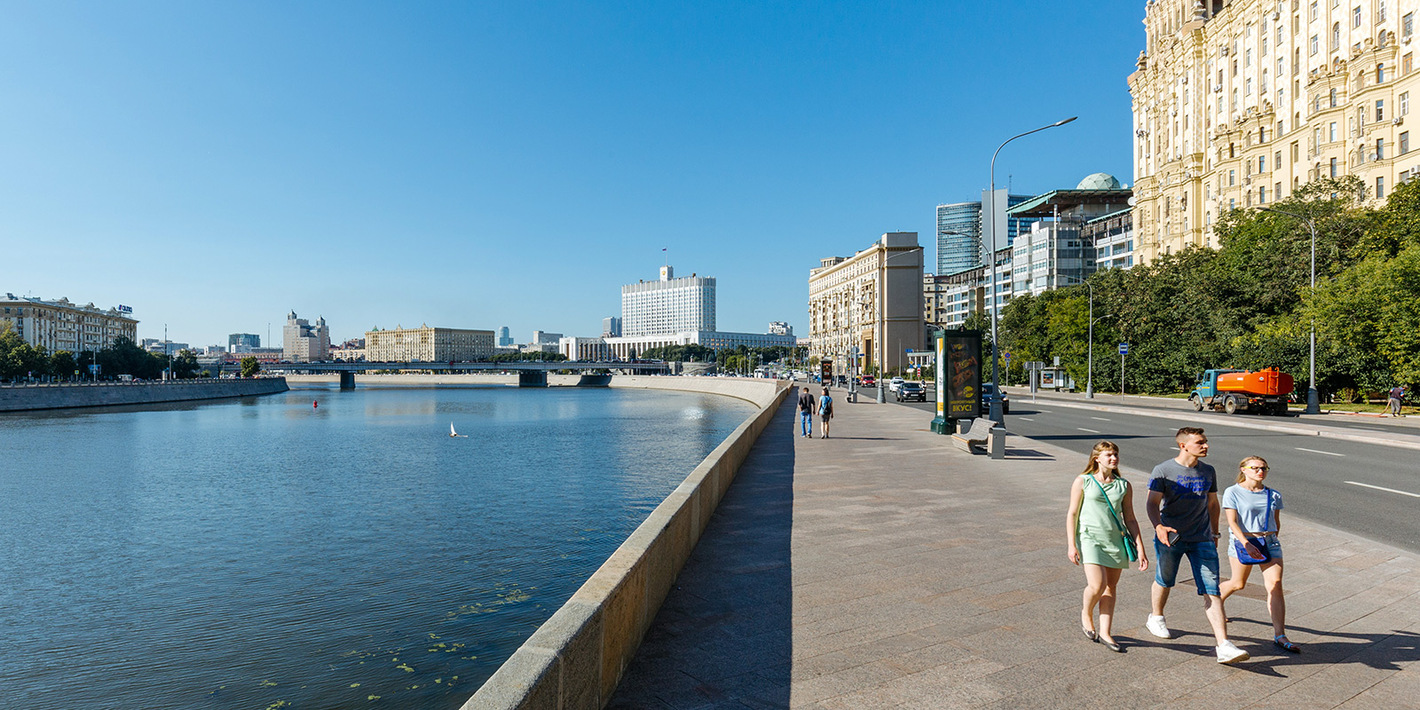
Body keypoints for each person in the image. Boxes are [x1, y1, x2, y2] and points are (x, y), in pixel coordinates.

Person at [1145, 426, 1250, 664]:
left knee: (1211, 588)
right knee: (1165, 579)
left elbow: (1213, 504)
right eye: (1200, 442)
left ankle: (1223, 645)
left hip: (1202, 538)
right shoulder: (1163, 470)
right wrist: (1158, 526)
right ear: (1183, 445)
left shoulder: (1208, 471)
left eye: (1206, 441)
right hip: (1171, 537)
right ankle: (1156, 617)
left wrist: (1214, 532)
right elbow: (1152, 503)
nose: (1206, 445)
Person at [1065, 441, 1149, 653]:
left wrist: (1140, 547)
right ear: (1097, 458)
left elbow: (1130, 518)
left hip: (1115, 540)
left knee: (1111, 588)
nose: (1114, 458)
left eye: (1116, 455)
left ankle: (1105, 631)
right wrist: (1071, 545)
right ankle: (1086, 612)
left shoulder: (1123, 485)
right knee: (1097, 585)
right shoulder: (1083, 481)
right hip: (1090, 538)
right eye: (1109, 455)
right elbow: (1072, 513)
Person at [1218, 456, 1299, 653]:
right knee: (1238, 583)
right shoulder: (1233, 492)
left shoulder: (1273, 495)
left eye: (1263, 468)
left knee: (1275, 585)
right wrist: (1246, 544)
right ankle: (1215, 602)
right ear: (1243, 470)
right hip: (1243, 542)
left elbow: (1275, 521)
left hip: (1269, 543)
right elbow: (1232, 522)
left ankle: (1280, 635)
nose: (1260, 471)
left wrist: (1270, 540)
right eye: (1254, 468)